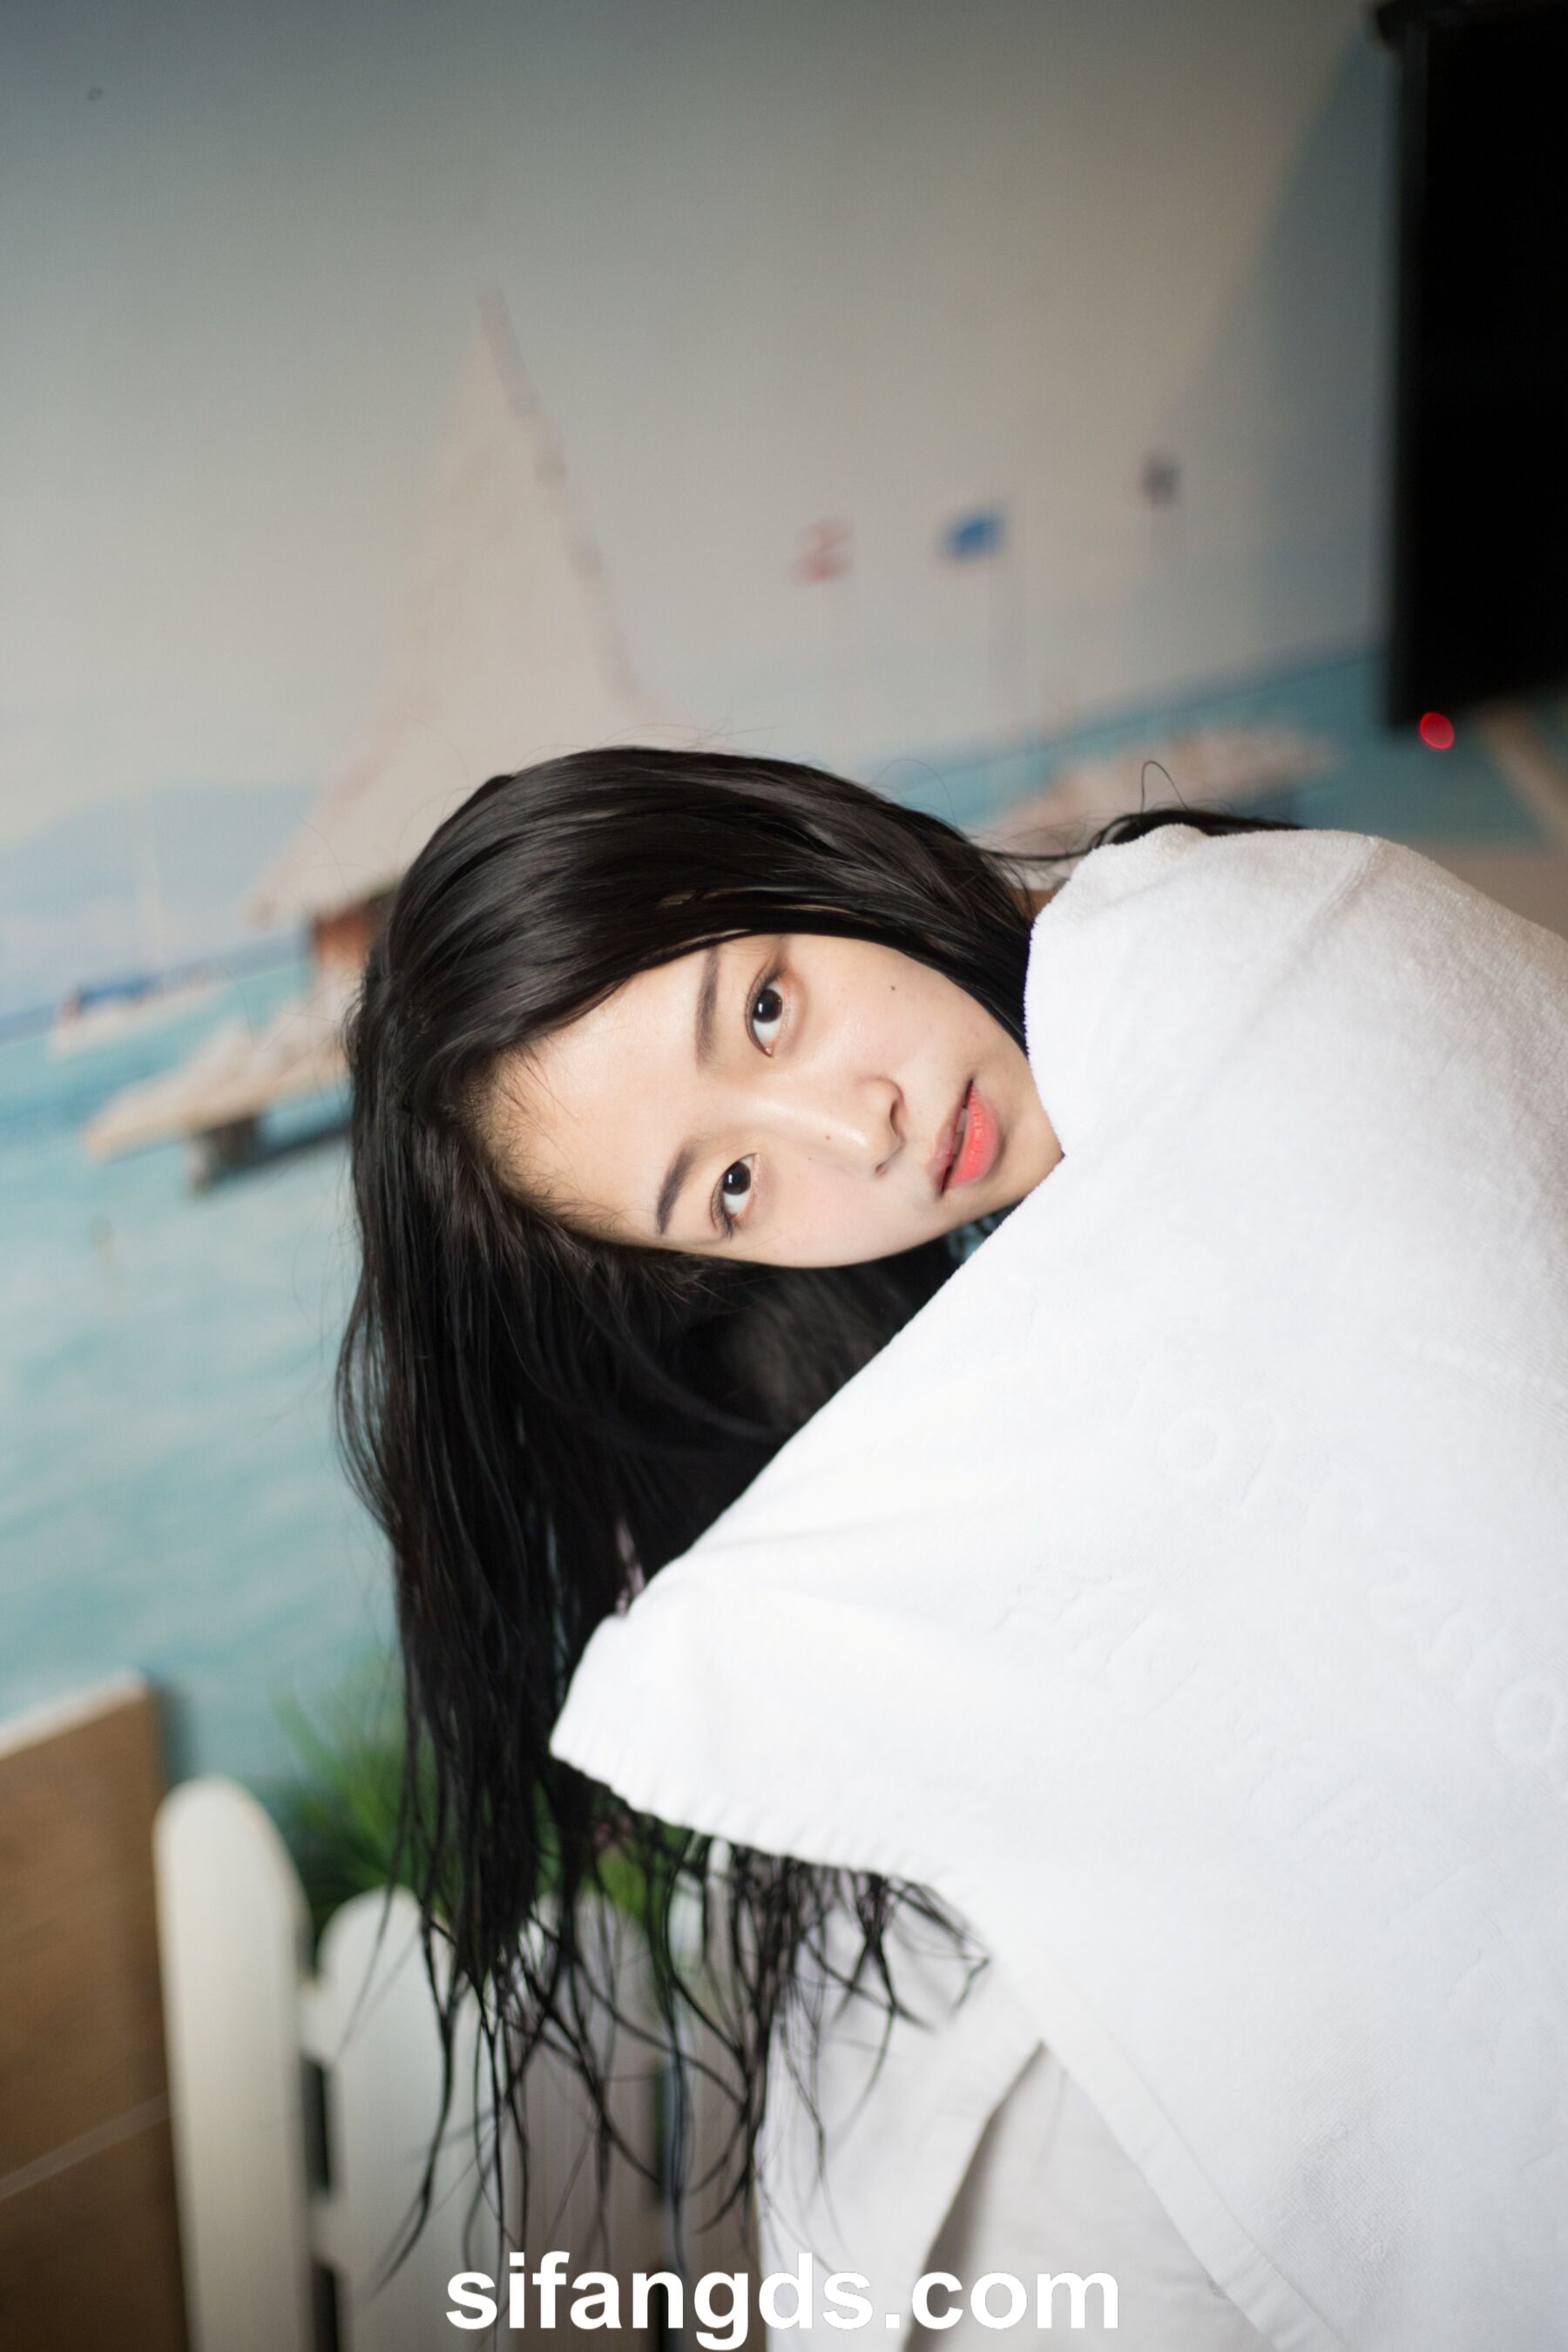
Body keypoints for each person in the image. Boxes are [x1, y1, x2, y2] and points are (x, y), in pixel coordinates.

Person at [335, 742, 1303, 2326]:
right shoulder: (888, 1435)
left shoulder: (1267, 971)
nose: (863, 1135)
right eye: (731, 1184)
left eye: (768, 1008)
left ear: (781, 852)